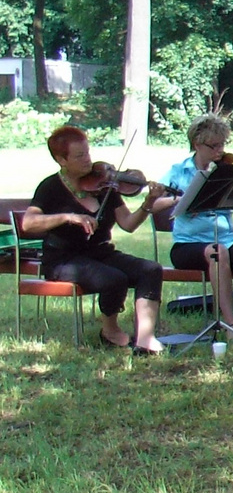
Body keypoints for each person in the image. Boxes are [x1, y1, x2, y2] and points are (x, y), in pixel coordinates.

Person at [18, 125, 168, 353]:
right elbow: (28, 223)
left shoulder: (105, 184)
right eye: (80, 156)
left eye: (88, 152)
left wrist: (148, 203)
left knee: (150, 269)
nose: (88, 160)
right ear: (62, 160)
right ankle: (110, 330)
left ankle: (145, 338)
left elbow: (128, 224)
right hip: (63, 259)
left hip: (100, 252)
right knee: (113, 278)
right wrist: (67, 217)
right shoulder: (50, 187)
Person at [151, 114, 233, 333]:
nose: (220, 151)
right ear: (197, 145)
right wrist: (182, 199)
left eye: (222, 145)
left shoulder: (226, 174)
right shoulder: (179, 171)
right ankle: (230, 322)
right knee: (218, 253)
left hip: (226, 240)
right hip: (188, 245)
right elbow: (153, 205)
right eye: (214, 146)